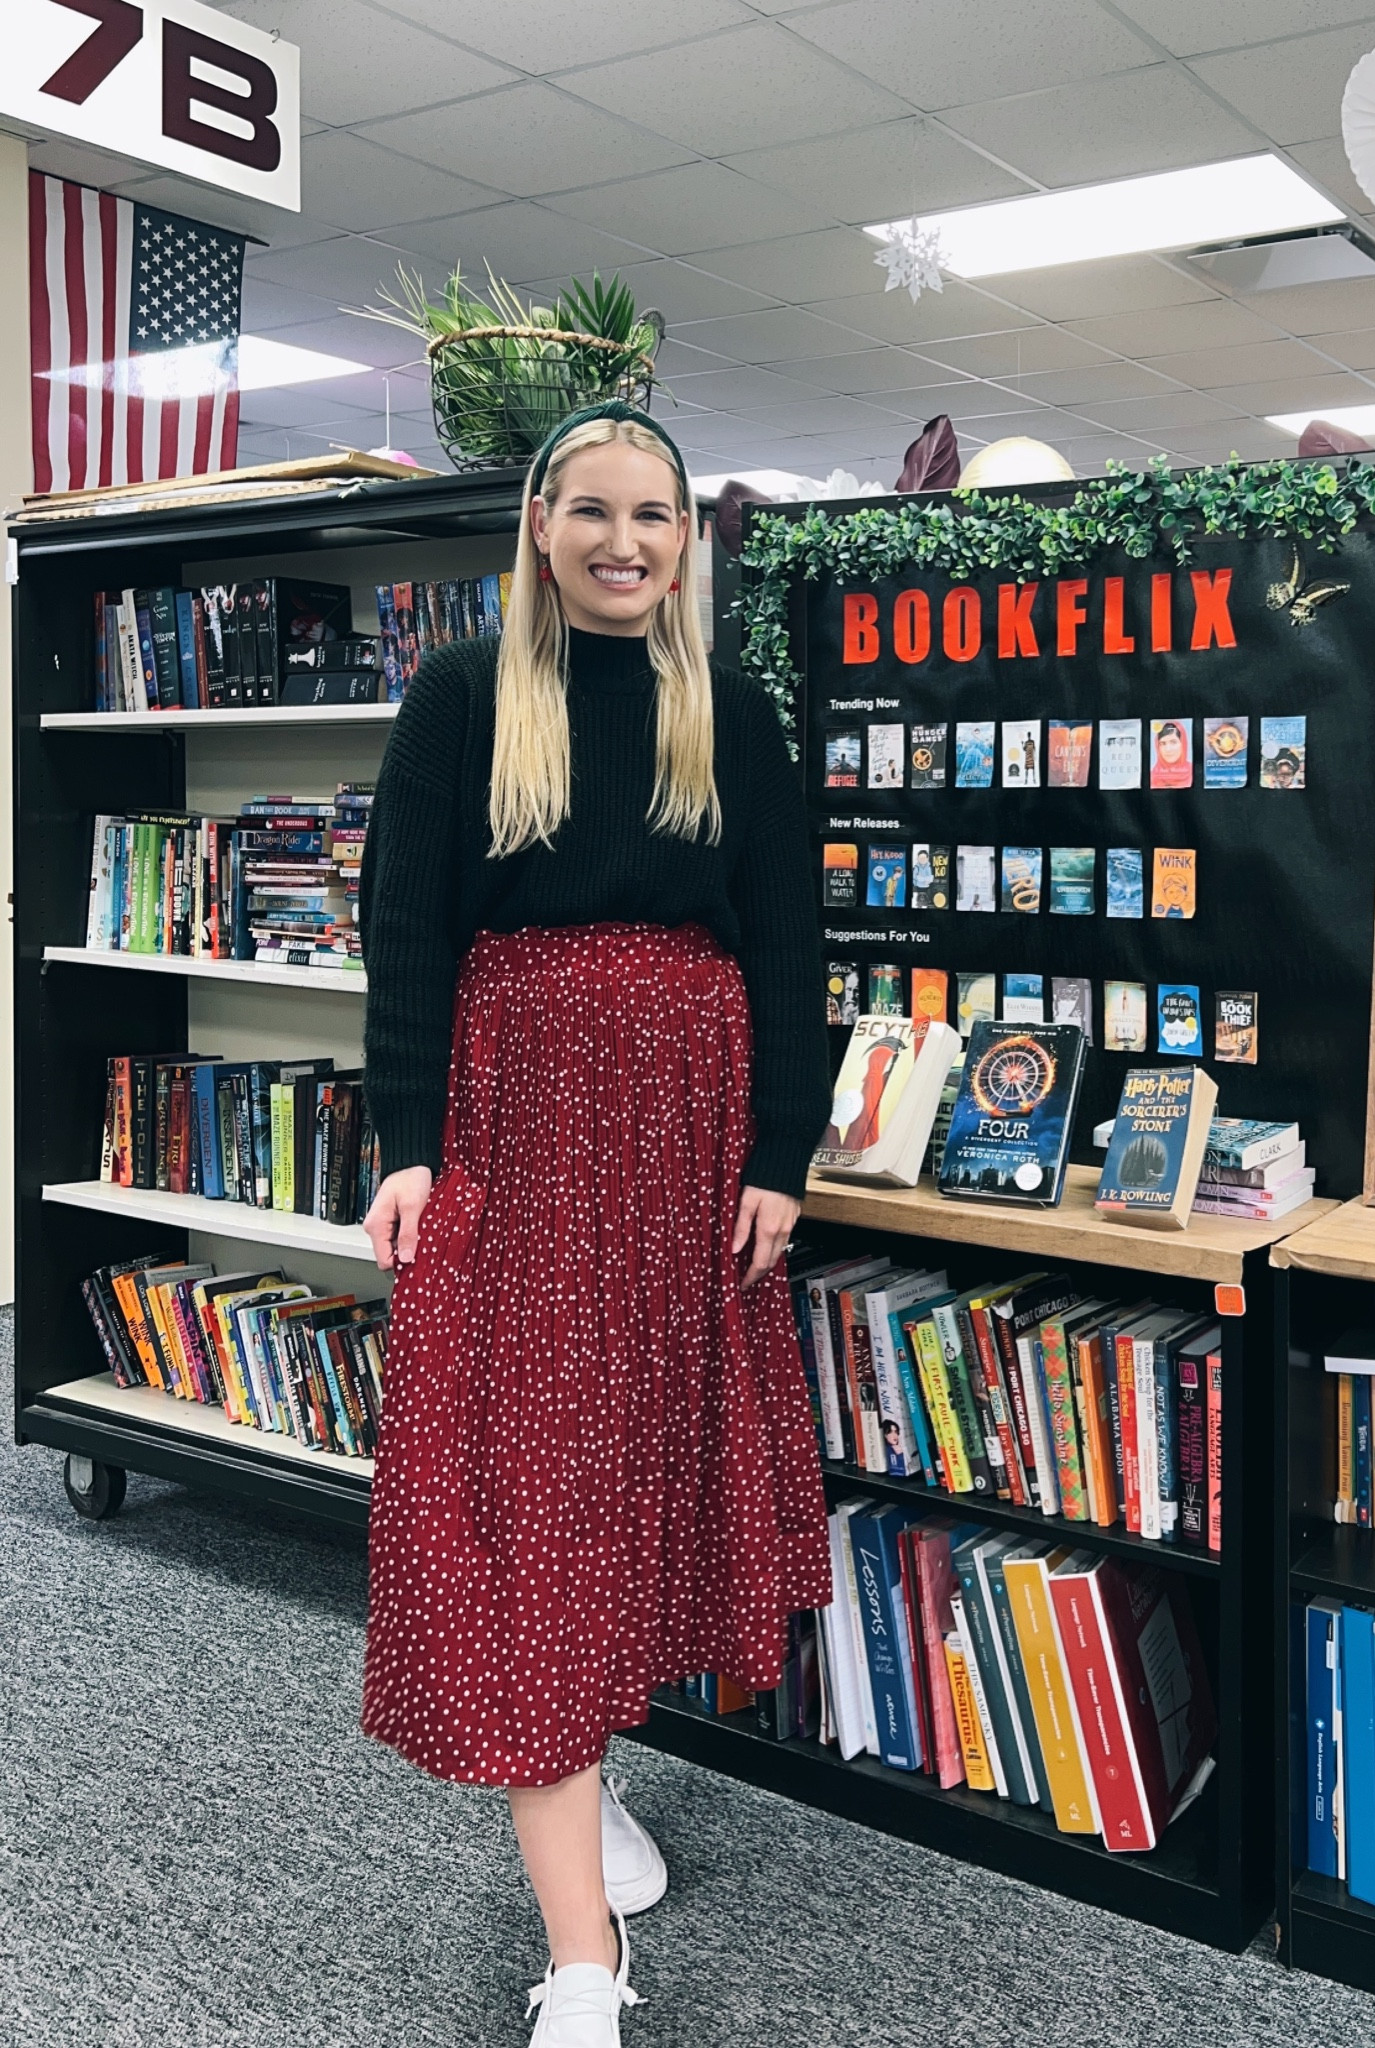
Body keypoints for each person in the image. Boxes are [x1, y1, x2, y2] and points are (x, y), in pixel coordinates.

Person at [357, 401, 833, 2046]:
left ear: (686, 538)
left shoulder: (734, 713)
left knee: (635, 1473)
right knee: (520, 1495)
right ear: (540, 524)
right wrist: (404, 1146)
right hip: (520, 1129)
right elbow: (404, 932)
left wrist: (781, 1154)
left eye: (656, 515)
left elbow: (789, 946)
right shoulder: (463, 695)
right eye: (594, 511)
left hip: (691, 1147)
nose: (625, 542)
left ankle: (590, 1781)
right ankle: (584, 1964)